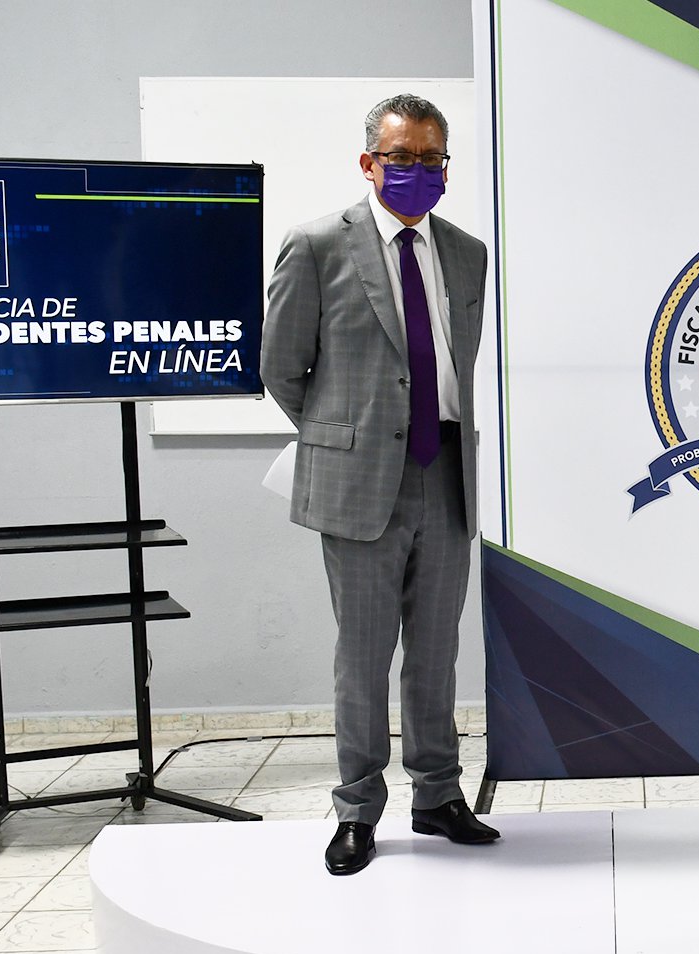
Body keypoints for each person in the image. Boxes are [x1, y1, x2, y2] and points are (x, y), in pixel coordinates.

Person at [263, 94, 499, 875]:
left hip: (447, 473)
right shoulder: (316, 245)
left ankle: (438, 795)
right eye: (402, 158)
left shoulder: (466, 252)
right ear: (369, 162)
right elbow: (281, 368)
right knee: (362, 658)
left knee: (436, 654)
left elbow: (455, 361)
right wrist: (347, 438)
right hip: (361, 482)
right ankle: (358, 810)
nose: (417, 171)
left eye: (432, 159)